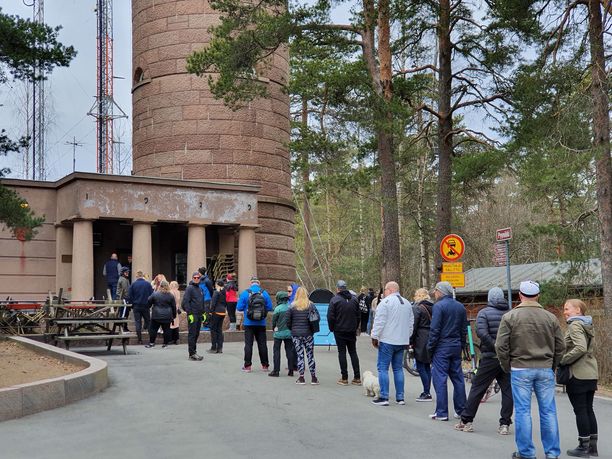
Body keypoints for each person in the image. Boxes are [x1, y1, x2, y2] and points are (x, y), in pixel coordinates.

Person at [495, 280, 565, 459]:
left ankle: (526, 452)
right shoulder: (550, 318)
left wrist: (506, 365)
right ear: (538, 295)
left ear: (520, 295)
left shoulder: (510, 317)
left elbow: (501, 346)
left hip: (520, 368)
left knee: (523, 411)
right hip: (545, 368)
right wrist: (553, 365)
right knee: (548, 411)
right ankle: (552, 453)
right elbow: (560, 345)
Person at [455, 287, 513, 434]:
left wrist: (495, 346)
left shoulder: (483, 313)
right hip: (507, 358)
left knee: (477, 388)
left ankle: (466, 421)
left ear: (489, 298)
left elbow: (481, 332)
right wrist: (504, 349)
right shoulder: (511, 313)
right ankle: (504, 424)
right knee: (508, 391)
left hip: (489, 357)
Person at [560, 299, 599, 458]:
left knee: (581, 410)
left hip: (578, 374)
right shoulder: (587, 325)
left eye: (567, 308)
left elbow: (580, 347)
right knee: (589, 409)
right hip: (591, 372)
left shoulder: (575, 324)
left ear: (578, 310)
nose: (565, 312)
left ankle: (583, 447)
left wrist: (563, 360)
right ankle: (592, 447)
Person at [427, 281, 467, 421]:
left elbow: (435, 329)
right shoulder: (460, 306)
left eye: (436, 291)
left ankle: (442, 412)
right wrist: (461, 345)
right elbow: (463, 329)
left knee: (440, 379)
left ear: (440, 292)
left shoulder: (438, 306)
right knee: (458, 378)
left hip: (442, 347)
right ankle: (461, 410)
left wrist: (430, 348)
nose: (435, 294)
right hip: (456, 345)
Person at [369, 281, 413, 406]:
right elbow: (411, 324)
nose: (383, 293)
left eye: (385, 291)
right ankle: (400, 397)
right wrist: (406, 336)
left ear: (389, 290)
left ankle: (384, 396)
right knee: (398, 368)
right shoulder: (407, 303)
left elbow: (379, 322)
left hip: (388, 340)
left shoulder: (385, 303)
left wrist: (374, 336)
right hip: (402, 341)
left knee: (383, 368)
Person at [236, 276, 273, 372]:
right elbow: (269, 307)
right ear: (259, 283)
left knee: (248, 344)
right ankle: (265, 365)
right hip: (261, 323)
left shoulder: (245, 293)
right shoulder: (264, 293)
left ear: (251, 283)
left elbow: (239, 307)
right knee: (262, 344)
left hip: (248, 323)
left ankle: (247, 366)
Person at [328, 280, 361, 386]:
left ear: (337, 288)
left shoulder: (335, 300)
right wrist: (355, 327)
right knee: (353, 352)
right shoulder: (354, 300)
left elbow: (330, 317)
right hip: (351, 330)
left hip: (339, 330)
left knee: (342, 352)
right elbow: (358, 316)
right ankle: (357, 377)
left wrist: (332, 328)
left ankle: (344, 377)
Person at [287, 286, 319, 385]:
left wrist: (292, 329)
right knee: (310, 355)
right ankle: (313, 377)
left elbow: (287, 320)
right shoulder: (311, 305)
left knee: (299, 354)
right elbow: (317, 318)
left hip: (296, 334)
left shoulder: (292, 306)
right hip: (308, 333)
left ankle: (301, 377)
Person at [410, 288, 434, 402]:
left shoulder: (418, 308)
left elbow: (413, 326)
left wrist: (410, 340)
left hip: (420, 338)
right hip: (431, 336)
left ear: (418, 296)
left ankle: (426, 392)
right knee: (427, 365)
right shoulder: (433, 306)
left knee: (420, 366)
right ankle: (427, 390)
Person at [268, 290, 296, 377]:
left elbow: (274, 321)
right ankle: (291, 370)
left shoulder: (277, 308)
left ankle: (276, 371)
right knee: (289, 351)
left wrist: (274, 328)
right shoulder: (290, 307)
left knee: (276, 351)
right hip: (289, 333)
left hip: (278, 333)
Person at [145, 280, 176, 348]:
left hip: (156, 315)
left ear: (160, 286)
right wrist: (174, 316)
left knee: (153, 329)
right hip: (167, 315)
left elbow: (149, 301)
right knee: (166, 329)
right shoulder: (171, 295)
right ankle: (165, 343)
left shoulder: (155, 294)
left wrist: (149, 306)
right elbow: (174, 306)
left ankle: (152, 343)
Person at [181, 271, 205, 361]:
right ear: (192, 278)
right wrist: (189, 313)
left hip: (199, 315)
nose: (196, 279)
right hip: (193, 315)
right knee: (192, 334)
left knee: (196, 334)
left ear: (200, 279)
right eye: (194, 277)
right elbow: (185, 302)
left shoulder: (200, 289)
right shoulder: (189, 288)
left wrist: (203, 313)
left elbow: (201, 302)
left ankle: (194, 352)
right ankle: (191, 354)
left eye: (197, 278)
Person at [126, 270, 153, 344]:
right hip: (146, 305)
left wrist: (132, 304)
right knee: (148, 321)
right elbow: (152, 295)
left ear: (137, 276)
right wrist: (149, 304)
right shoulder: (148, 284)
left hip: (136, 305)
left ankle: (139, 339)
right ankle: (151, 339)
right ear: (143, 276)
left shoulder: (133, 285)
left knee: (138, 322)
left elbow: (130, 296)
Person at [208, 280, 227, 354]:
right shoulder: (224, 292)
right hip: (222, 312)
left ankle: (214, 347)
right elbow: (225, 303)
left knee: (213, 329)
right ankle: (220, 348)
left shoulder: (216, 292)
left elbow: (213, 303)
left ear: (217, 285)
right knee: (219, 329)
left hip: (216, 312)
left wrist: (210, 312)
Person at [116, 267, 131, 331]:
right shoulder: (123, 279)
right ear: (123, 273)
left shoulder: (125, 279)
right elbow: (126, 290)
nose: (127, 273)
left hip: (125, 298)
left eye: (128, 272)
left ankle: (125, 327)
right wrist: (129, 298)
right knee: (124, 313)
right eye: (126, 272)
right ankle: (122, 328)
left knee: (126, 313)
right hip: (124, 299)